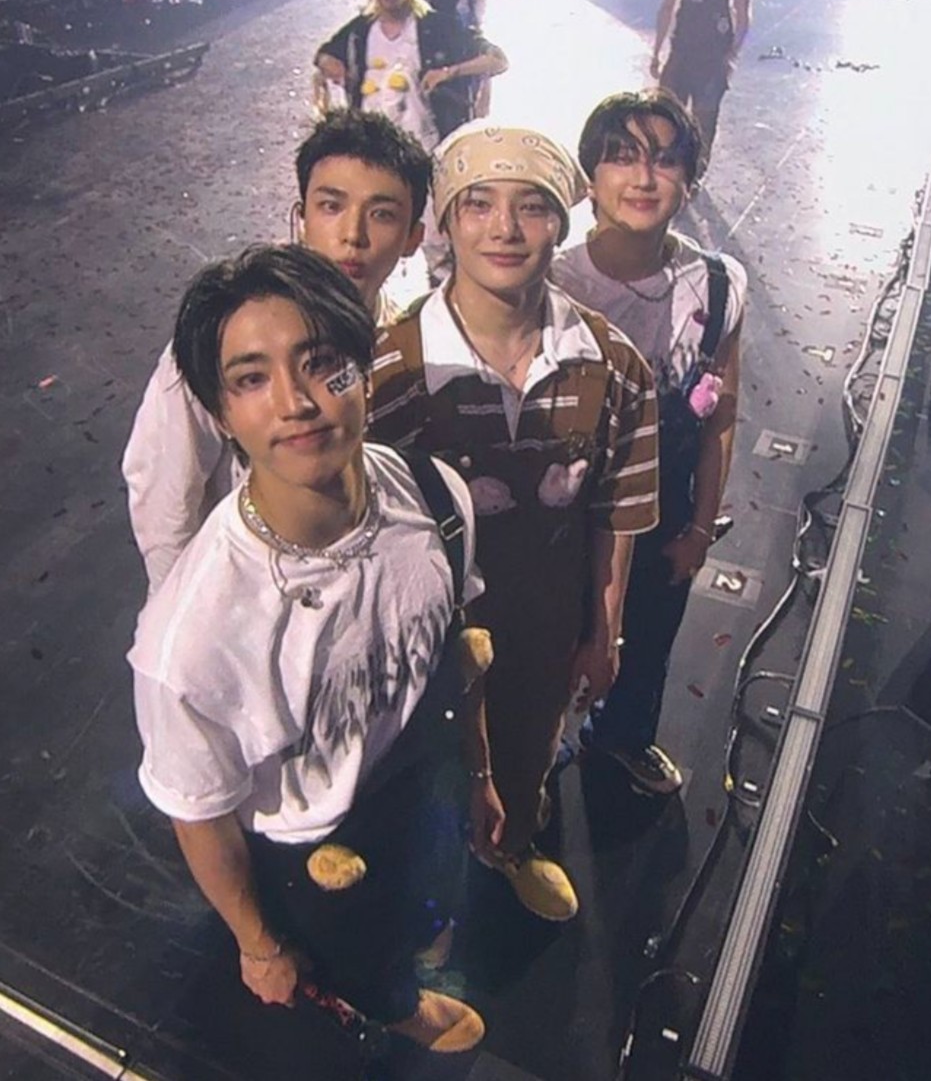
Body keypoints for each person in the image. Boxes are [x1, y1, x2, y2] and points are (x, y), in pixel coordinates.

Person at [128, 243, 486, 1053]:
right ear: (220, 414)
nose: (296, 402)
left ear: (365, 372)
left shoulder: (437, 496)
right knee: (357, 969)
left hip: (424, 781)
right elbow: (201, 813)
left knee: (431, 895)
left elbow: (452, 650)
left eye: (323, 364)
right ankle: (388, 1005)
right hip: (316, 856)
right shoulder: (191, 638)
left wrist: (482, 776)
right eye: (252, 378)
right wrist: (258, 943)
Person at [368, 124, 659, 921]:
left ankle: (510, 846)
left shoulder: (613, 364)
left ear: (562, 223)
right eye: (478, 205)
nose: (504, 228)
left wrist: (604, 633)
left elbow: (618, 510)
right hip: (424, 637)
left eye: (531, 206)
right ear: (446, 222)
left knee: (528, 743)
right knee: (423, 771)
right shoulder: (390, 371)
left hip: (543, 620)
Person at [122, 107, 431, 595]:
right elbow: (165, 497)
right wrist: (186, 604)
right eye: (331, 206)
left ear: (414, 237)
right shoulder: (233, 340)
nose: (352, 235)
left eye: (382, 214)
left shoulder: (401, 335)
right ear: (301, 218)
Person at [551, 89, 746, 795]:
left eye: (664, 160)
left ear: (690, 179)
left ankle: (623, 738)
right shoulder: (551, 282)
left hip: (665, 504)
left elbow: (722, 414)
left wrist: (699, 528)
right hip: (568, 511)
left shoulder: (718, 284)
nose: (643, 177)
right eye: (621, 157)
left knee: (651, 636)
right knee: (553, 641)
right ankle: (535, 758)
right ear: (590, 177)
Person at [313, 0, 508, 153]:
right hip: (371, 152)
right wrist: (329, 63)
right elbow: (323, 56)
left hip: (428, 151)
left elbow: (498, 60)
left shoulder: (440, 27)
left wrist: (449, 72)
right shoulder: (359, 31)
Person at [650, 0, 754, 167]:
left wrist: (731, 56)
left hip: (712, 61)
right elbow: (667, 7)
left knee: (704, 126)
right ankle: (664, 170)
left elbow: (743, 18)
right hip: (681, 54)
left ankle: (695, 175)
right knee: (664, 117)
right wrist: (656, 52)